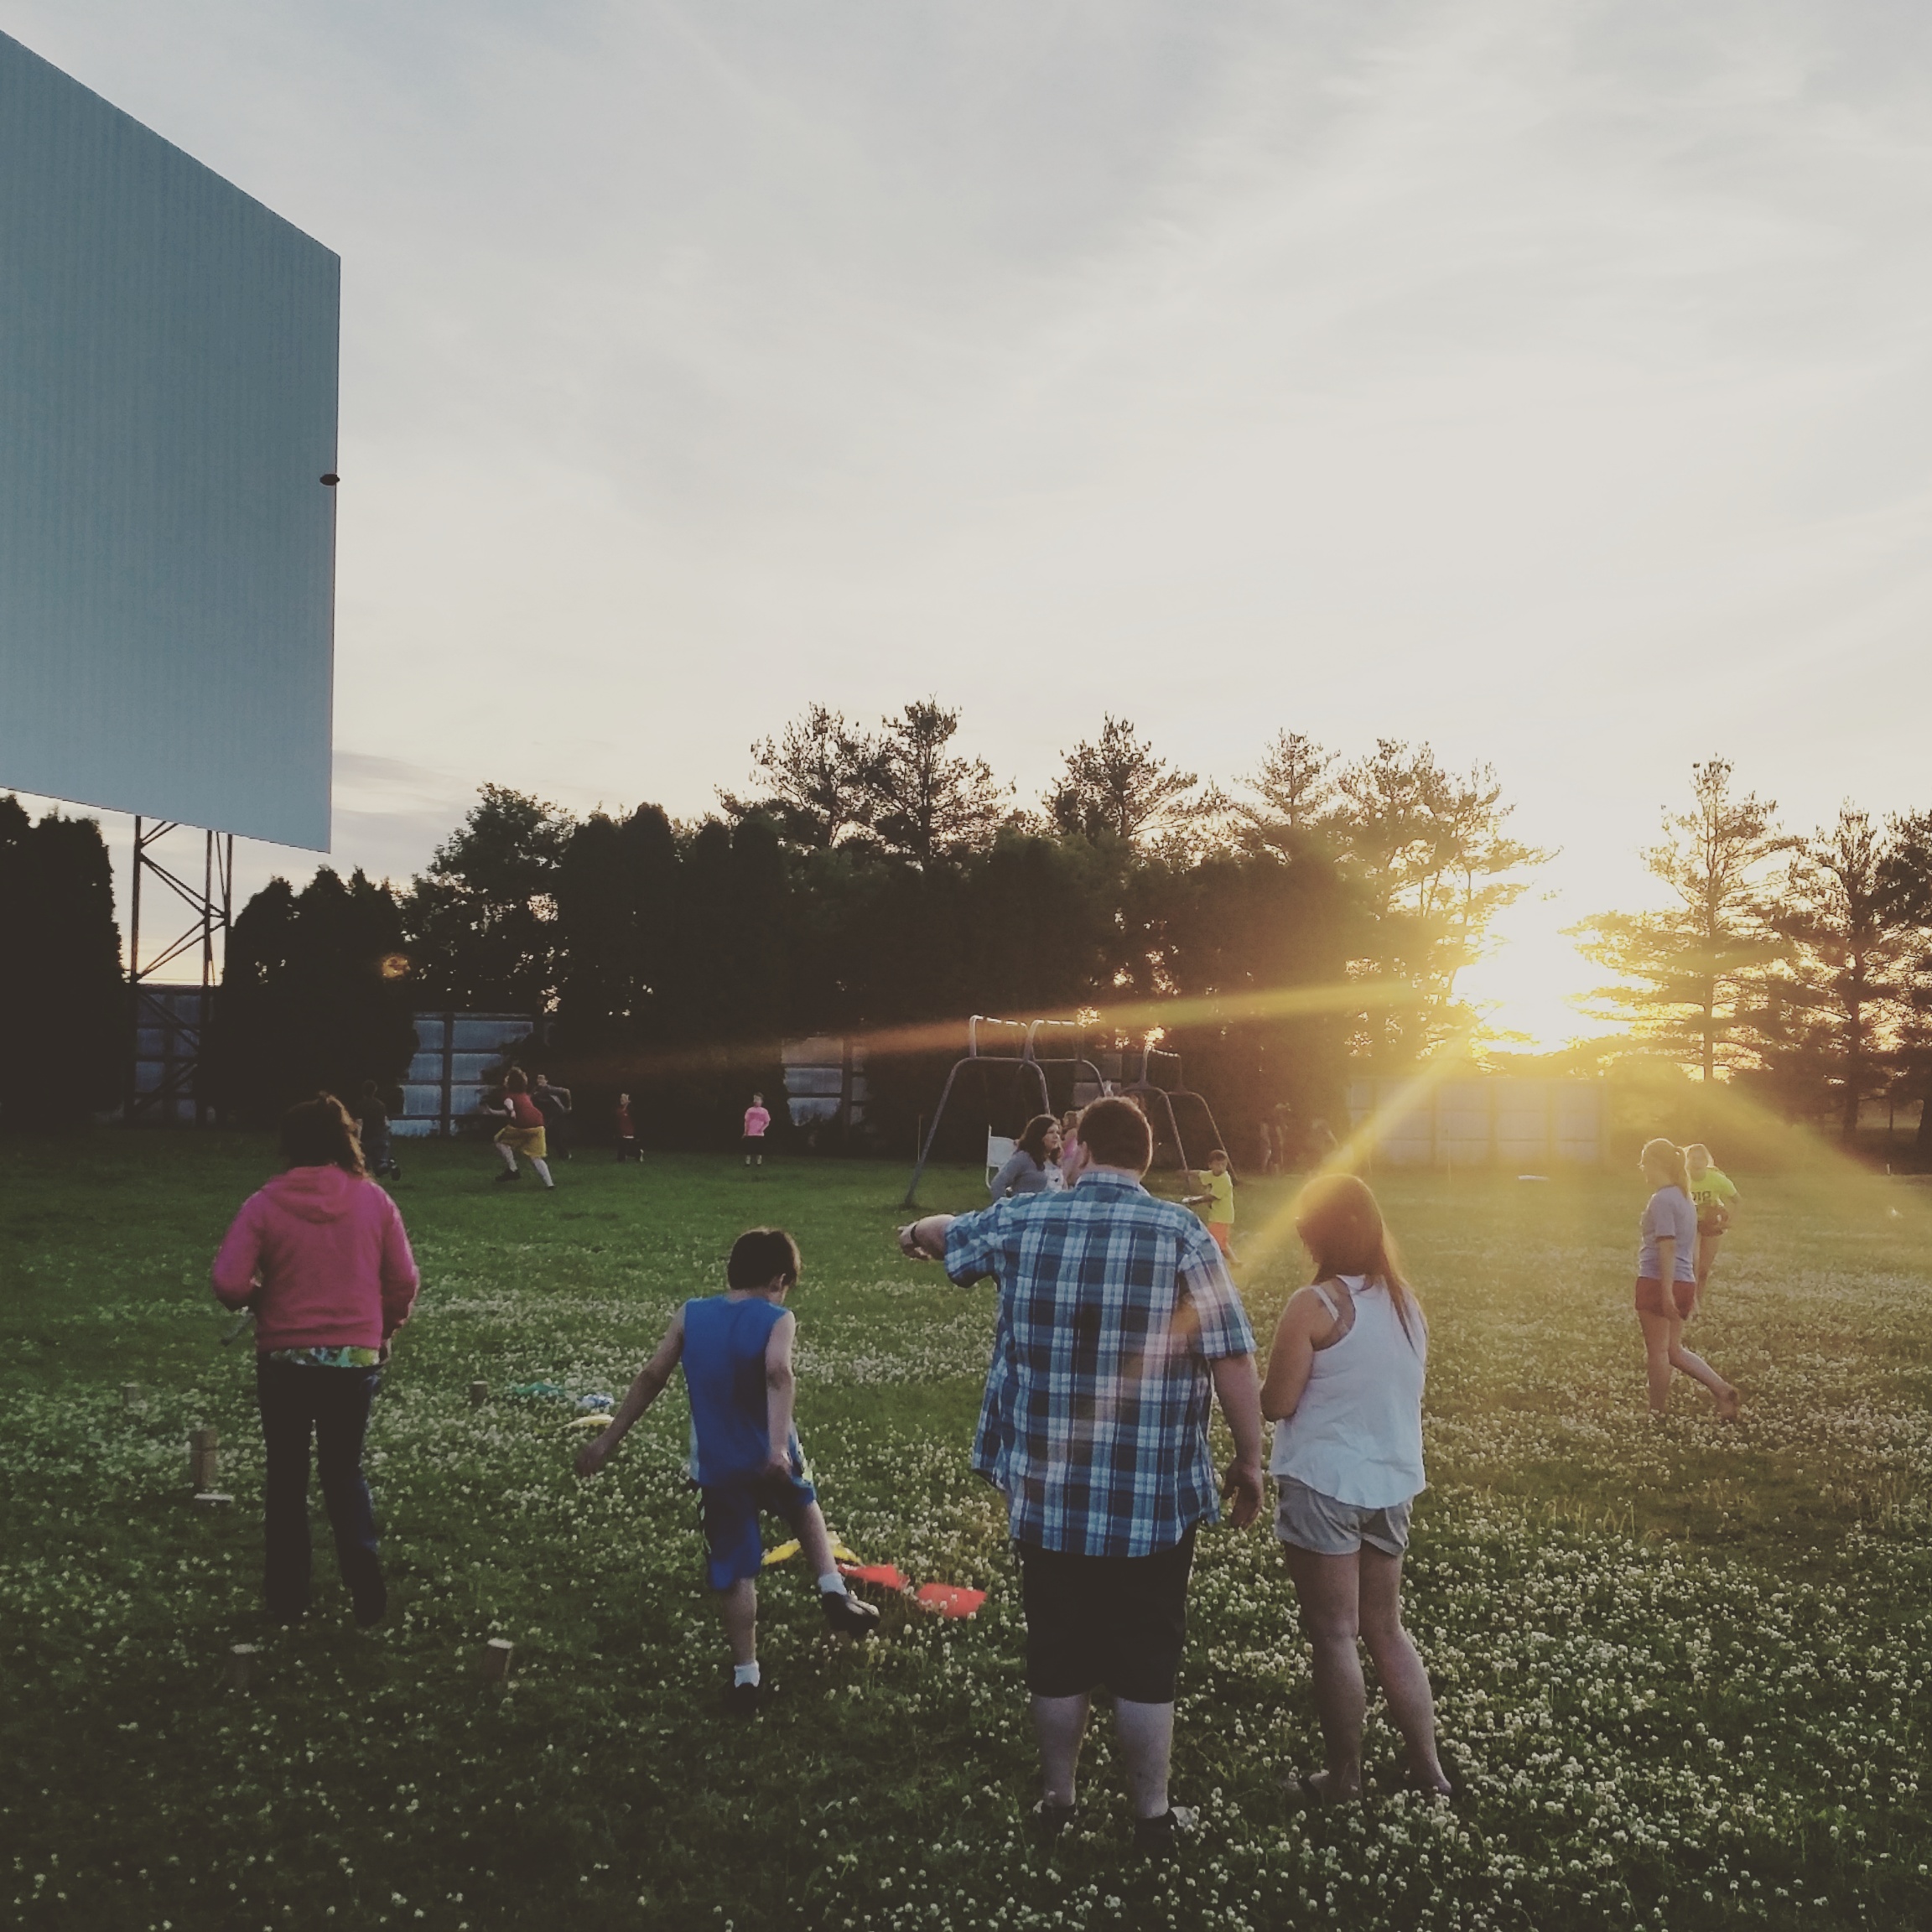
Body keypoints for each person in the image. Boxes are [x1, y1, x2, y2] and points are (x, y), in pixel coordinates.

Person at [899, 1095, 1264, 1854]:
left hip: (1048, 1490)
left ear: (1083, 1151)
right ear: (1146, 1155)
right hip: (1153, 1497)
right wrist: (1251, 1458)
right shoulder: (1182, 1232)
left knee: (1057, 1647)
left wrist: (913, 1231)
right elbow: (1230, 1354)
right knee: (1146, 1653)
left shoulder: (1026, 1219)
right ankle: (1152, 1817)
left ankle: (1059, 1801)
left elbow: (947, 1233)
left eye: (1068, 1144)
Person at [576, 1227, 880, 1709]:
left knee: (736, 1571)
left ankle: (746, 1676)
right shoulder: (778, 1318)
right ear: (780, 1279)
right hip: (770, 1454)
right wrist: (778, 1448)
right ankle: (831, 1589)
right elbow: (779, 1373)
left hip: (717, 1467)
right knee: (803, 1505)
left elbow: (652, 1375)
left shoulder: (691, 1315)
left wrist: (608, 1440)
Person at [1260, 1173, 1451, 1803]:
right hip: (1390, 1483)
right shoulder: (1404, 1303)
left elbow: (1278, 1402)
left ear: (1314, 1232)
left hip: (1325, 1483)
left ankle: (1343, 1778)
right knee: (1386, 1628)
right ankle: (1429, 1770)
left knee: (1335, 1634)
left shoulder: (1315, 1305)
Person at [210, 1093, 420, 1626]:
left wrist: (259, 1297)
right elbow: (403, 1280)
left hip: (284, 1358)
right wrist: (385, 1329)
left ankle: (287, 1600)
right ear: (345, 1138)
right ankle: (367, 1590)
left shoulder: (264, 1202)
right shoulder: (374, 1201)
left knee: (286, 1476)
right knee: (343, 1471)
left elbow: (229, 1282)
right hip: (354, 1357)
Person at [1634, 1138, 1740, 1420]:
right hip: (1683, 1280)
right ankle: (1722, 1390)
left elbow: (1667, 1246)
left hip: (1658, 1280)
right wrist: (1689, 1289)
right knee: (1673, 1350)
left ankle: (1656, 1413)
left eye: (1644, 1162)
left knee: (1657, 1352)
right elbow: (1690, 1248)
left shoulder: (1662, 1199)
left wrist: (1667, 1292)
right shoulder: (1685, 1198)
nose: (1642, 1168)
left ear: (1656, 1164)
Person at [482, 1070, 555, 1189]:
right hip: (538, 1125)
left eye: (507, 1078)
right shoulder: (524, 1095)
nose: (505, 1079)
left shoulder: (507, 1095)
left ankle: (513, 1169)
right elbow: (518, 1110)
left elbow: (510, 1106)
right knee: (536, 1156)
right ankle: (550, 1184)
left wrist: (508, 1111)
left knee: (499, 1141)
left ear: (511, 1082)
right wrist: (493, 1112)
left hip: (522, 1125)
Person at [1685, 1143, 1739, 1291]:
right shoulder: (1682, 1179)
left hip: (1711, 1224)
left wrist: (1729, 1222)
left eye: (1701, 1159)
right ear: (1687, 1160)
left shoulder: (1716, 1178)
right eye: (1693, 1158)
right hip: (1690, 1224)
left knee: (1703, 1270)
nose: (1696, 1162)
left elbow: (1737, 1200)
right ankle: (1689, 1302)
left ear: (1706, 1161)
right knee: (1693, 1264)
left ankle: (1698, 1303)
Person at [989, 1114, 1062, 1198]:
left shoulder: (1055, 1160)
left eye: (1058, 1133)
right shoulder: (1024, 1158)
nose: (1056, 1136)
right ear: (1039, 1135)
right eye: (1051, 1132)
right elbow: (998, 1184)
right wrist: (1005, 1207)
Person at [1185, 1148, 1236, 1256]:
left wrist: (1196, 1200)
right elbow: (1200, 1174)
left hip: (1222, 1216)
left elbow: (1212, 1197)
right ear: (1210, 1165)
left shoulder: (1224, 1179)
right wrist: (1188, 1173)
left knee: (1213, 1242)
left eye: (1224, 1165)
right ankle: (1235, 1263)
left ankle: (1213, 1262)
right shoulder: (1211, 1174)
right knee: (1222, 1243)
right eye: (1218, 1165)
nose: (1221, 1168)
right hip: (1219, 1215)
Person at [355, 1079, 400, 1182]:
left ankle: (365, 1182)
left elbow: (359, 1123)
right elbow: (386, 1122)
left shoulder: (360, 1105)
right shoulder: (381, 1105)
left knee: (365, 1164)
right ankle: (389, 1165)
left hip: (368, 1138)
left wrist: (357, 1139)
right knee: (380, 1167)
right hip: (381, 1137)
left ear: (363, 1091)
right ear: (375, 1091)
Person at [532, 1072, 574, 1161]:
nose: (539, 1080)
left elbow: (566, 1091)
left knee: (556, 1136)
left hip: (556, 1115)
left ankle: (565, 1155)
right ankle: (541, 1153)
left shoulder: (549, 1089)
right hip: (546, 1115)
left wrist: (569, 1106)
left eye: (542, 1078)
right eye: (538, 1078)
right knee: (542, 1133)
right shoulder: (536, 1090)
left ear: (546, 1081)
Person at [742, 1092, 771, 1169]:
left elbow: (767, 1122)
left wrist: (762, 1129)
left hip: (759, 1134)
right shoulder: (750, 1110)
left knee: (759, 1150)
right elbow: (746, 1122)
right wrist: (745, 1132)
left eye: (758, 1099)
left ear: (762, 1101)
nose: (756, 1101)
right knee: (748, 1150)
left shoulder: (764, 1111)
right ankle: (747, 1163)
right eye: (755, 1099)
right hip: (750, 1134)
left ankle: (759, 1163)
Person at [615, 1091, 639, 1163]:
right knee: (620, 1157)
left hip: (629, 1134)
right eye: (621, 1097)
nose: (621, 1099)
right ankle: (625, 1156)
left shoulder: (632, 1111)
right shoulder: (618, 1110)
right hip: (621, 1134)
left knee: (627, 1150)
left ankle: (638, 1153)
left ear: (629, 1101)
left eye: (624, 1098)